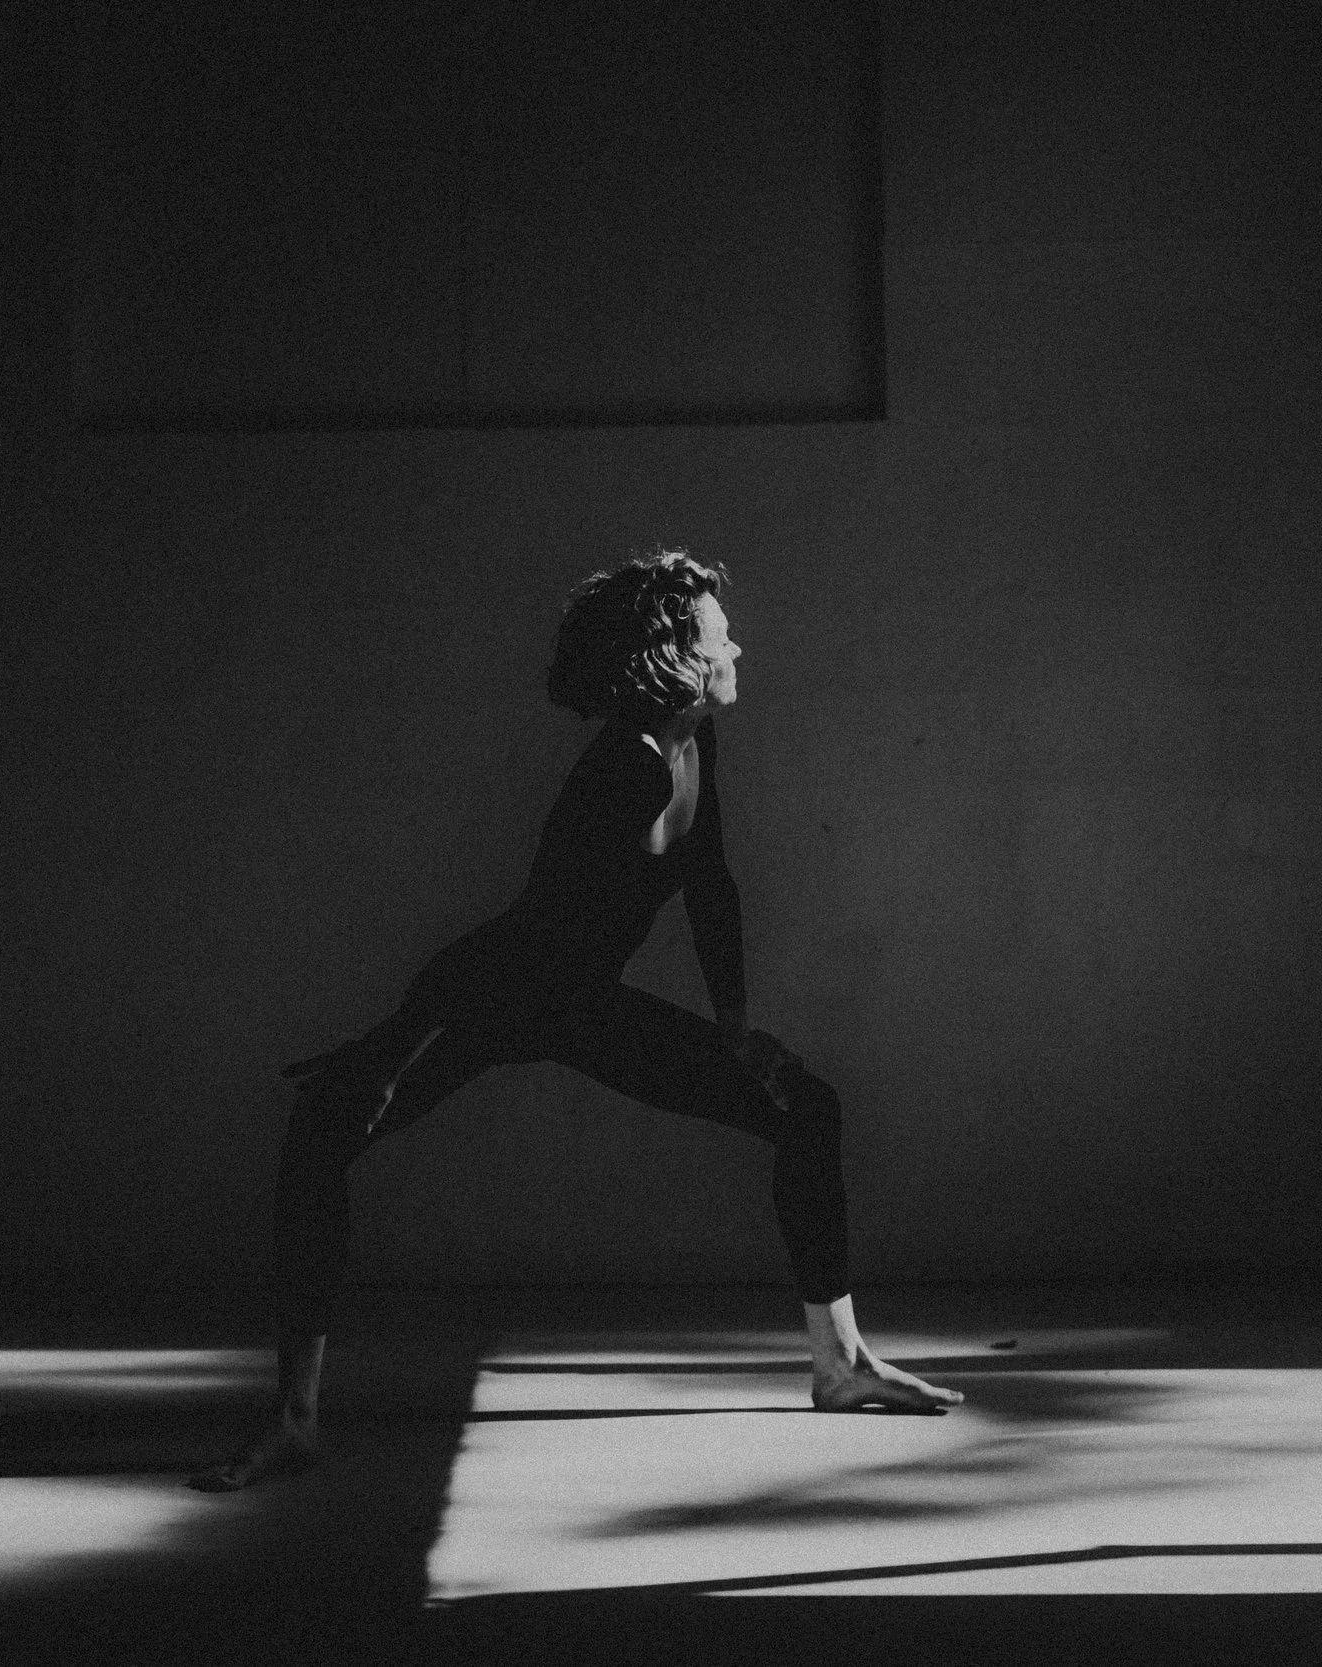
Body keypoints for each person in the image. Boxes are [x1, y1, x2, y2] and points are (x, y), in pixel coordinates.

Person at [191, 550, 961, 1492]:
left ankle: (840, 1365)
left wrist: (735, 1030)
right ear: (675, 656)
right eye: (721, 637)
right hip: (507, 995)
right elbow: (512, 939)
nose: (737, 648)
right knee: (321, 1131)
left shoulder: (696, 744)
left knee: (807, 1107)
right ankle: (294, 1420)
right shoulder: (620, 773)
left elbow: (710, 885)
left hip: (580, 1004)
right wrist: (391, 1049)